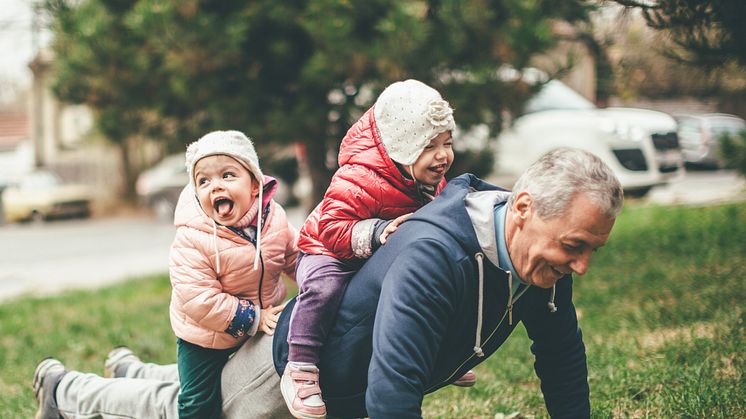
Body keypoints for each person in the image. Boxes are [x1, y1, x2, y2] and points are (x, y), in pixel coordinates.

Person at [33, 148, 621, 419]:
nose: (581, 267)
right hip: (292, 365)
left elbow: (562, 353)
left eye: (591, 249)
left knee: (188, 384)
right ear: (521, 208)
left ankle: (137, 367)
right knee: (177, 408)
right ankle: (63, 392)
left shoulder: (538, 255)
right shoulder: (437, 254)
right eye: (575, 247)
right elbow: (393, 393)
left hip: (329, 372)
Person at [282, 78, 476, 418]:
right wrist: (376, 232)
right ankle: (300, 365)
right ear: (401, 146)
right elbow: (330, 227)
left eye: (447, 142)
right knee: (324, 287)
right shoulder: (357, 177)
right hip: (327, 248)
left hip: (378, 251)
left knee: (428, 283)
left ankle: (441, 352)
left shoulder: (426, 180)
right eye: (429, 146)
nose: (443, 155)